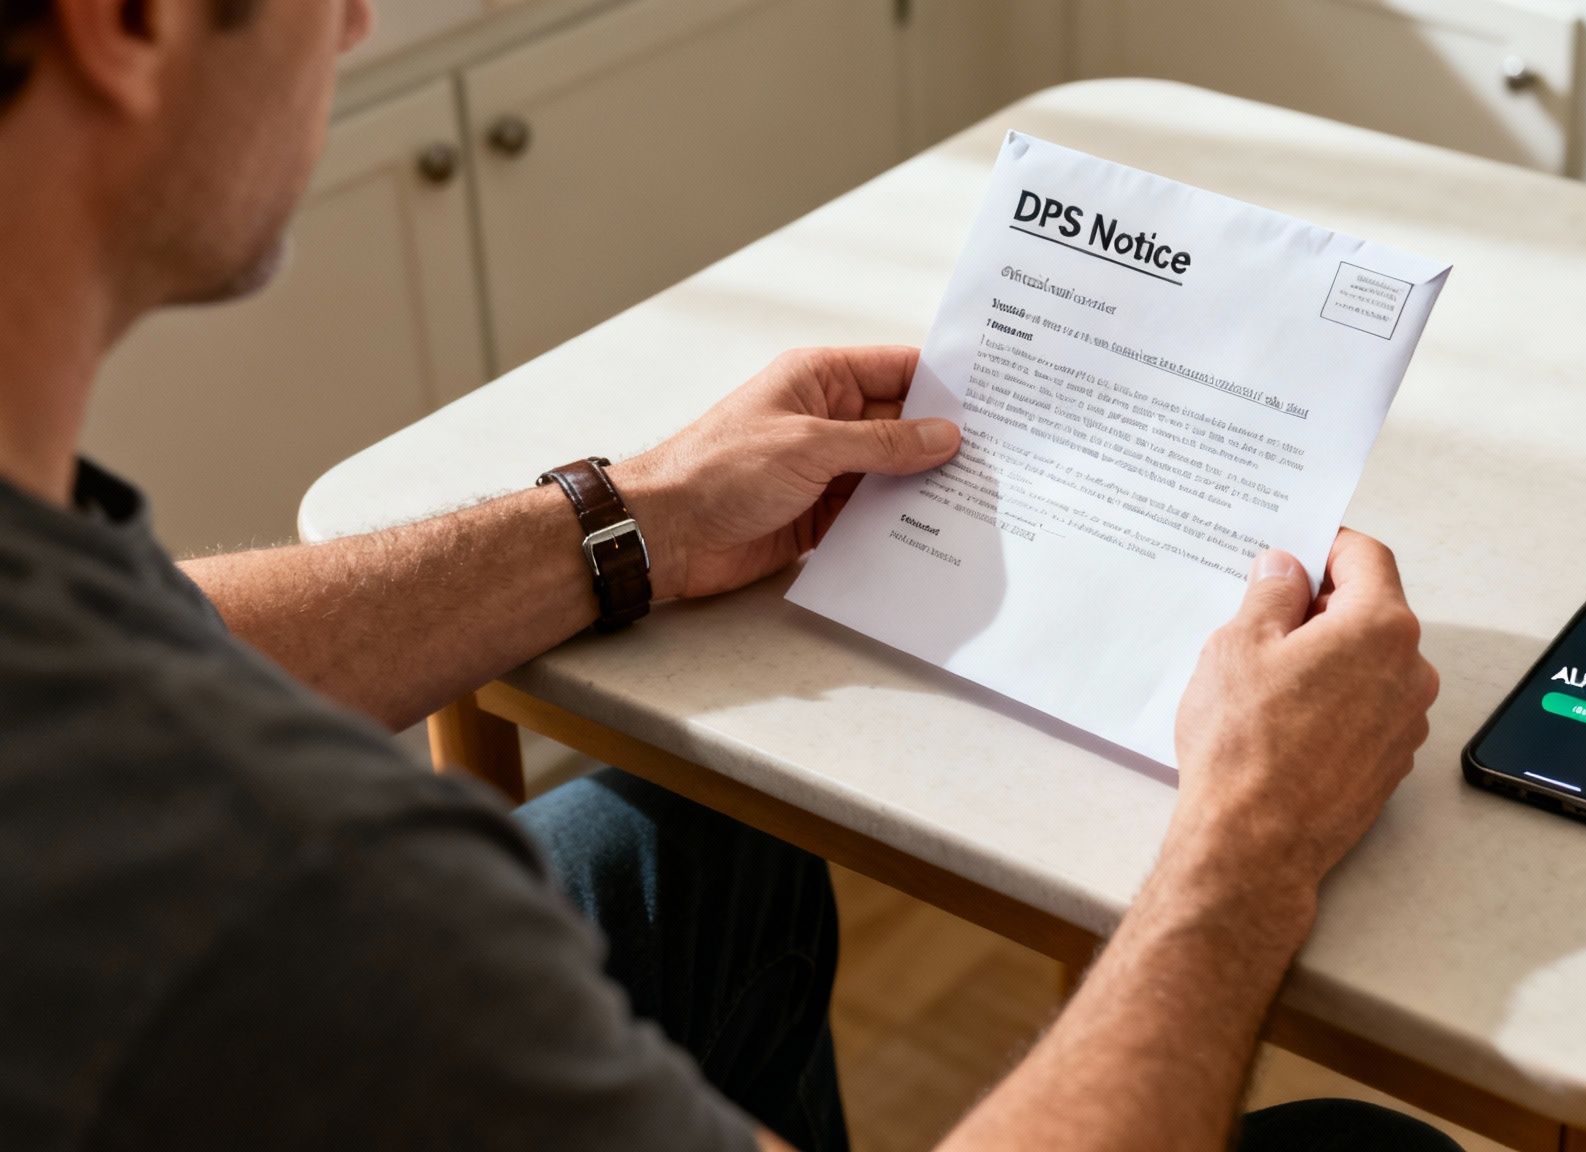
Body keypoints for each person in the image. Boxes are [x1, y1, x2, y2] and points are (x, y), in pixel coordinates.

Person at [0, 2, 1450, 1150]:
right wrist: (1247, 849)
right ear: (124, 18)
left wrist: (635, 517)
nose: (361, 22)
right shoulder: (289, 894)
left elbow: (155, 634)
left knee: (683, 850)